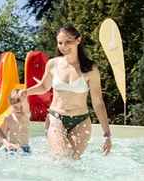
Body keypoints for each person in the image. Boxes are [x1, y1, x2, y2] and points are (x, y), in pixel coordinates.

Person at [21, 24, 112, 159]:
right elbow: (44, 86)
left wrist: (107, 134)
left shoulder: (90, 68)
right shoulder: (53, 63)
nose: (64, 46)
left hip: (81, 120)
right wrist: (26, 92)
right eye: (60, 43)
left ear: (78, 40)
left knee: (71, 160)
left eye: (68, 41)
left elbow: (98, 102)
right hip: (56, 117)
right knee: (60, 154)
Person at [0, 89, 31, 154]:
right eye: (15, 107)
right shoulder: (8, 119)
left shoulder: (25, 116)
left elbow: (26, 110)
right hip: (11, 148)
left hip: (24, 148)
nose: (19, 109)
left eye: (21, 106)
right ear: (10, 106)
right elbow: (3, 137)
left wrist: (24, 99)